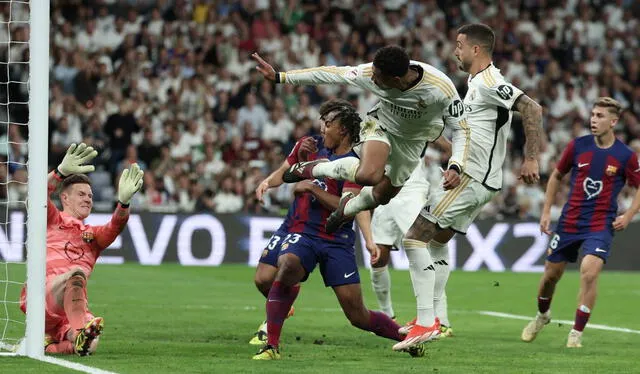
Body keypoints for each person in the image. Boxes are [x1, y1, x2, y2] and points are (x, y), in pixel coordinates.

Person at [392, 23, 544, 352]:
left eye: (459, 45)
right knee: (438, 240)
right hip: (474, 178)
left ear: (476, 49)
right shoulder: (473, 84)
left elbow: (532, 108)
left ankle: (426, 320)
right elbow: (473, 137)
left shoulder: (490, 82)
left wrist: (531, 159)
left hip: (474, 179)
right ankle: (435, 319)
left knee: (414, 237)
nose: (455, 51)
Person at [249, 100, 412, 360]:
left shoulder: (355, 163)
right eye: (322, 122)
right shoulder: (309, 145)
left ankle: (408, 338)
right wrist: (268, 182)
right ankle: (272, 346)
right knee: (282, 267)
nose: (322, 128)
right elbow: (286, 171)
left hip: (336, 239)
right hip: (301, 229)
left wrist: (313, 188)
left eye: (328, 123)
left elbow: (348, 206)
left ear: (344, 130)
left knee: (357, 315)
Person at [252, 45, 469, 235]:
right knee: (368, 175)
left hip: (412, 144)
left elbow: (460, 129)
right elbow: (332, 74)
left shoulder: (441, 89)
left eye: (377, 77)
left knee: (382, 196)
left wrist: (456, 166)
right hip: (380, 126)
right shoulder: (371, 72)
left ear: (395, 80)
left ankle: (348, 209)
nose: (372, 78)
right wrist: (281, 76)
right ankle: (315, 168)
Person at [521, 97, 640, 348]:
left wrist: (628, 215)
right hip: (569, 223)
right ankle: (543, 315)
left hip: (600, 225)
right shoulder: (578, 146)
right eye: (593, 115)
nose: (593, 120)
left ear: (613, 122)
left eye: (599, 116)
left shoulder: (625, 156)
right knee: (551, 276)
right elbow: (555, 176)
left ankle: (576, 333)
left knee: (589, 273)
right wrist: (545, 212)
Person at [20, 143, 144, 356]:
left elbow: (114, 227)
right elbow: (35, 198)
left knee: (91, 343)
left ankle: (50, 345)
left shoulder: (93, 236)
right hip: (41, 298)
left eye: (90, 195)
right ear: (65, 198)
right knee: (75, 274)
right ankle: (79, 331)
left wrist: (123, 204)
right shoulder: (51, 219)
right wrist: (59, 173)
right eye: (81, 194)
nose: (88, 199)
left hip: (71, 309)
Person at [367, 138, 455, 337]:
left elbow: (446, 144)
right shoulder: (377, 124)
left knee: (427, 250)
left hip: (411, 193)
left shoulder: (415, 116)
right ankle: (387, 315)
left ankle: (441, 320)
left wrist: (455, 164)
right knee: (378, 258)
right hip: (383, 194)